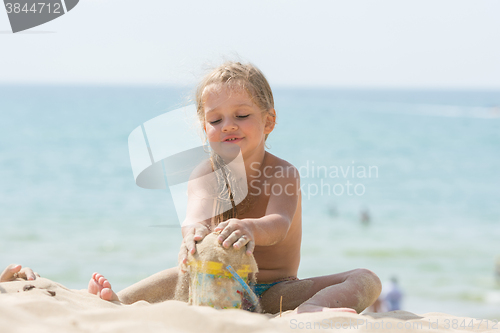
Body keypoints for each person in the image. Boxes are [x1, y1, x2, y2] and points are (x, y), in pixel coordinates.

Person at [6, 62, 382, 314]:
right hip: (209, 285)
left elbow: (279, 223)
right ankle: (116, 303)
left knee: (366, 278)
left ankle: (310, 314)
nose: (228, 125)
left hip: (275, 293)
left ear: (268, 122)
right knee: (176, 274)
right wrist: (194, 234)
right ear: (205, 128)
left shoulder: (284, 172)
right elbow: (195, 215)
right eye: (216, 119)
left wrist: (250, 228)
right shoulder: (206, 173)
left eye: (242, 115)